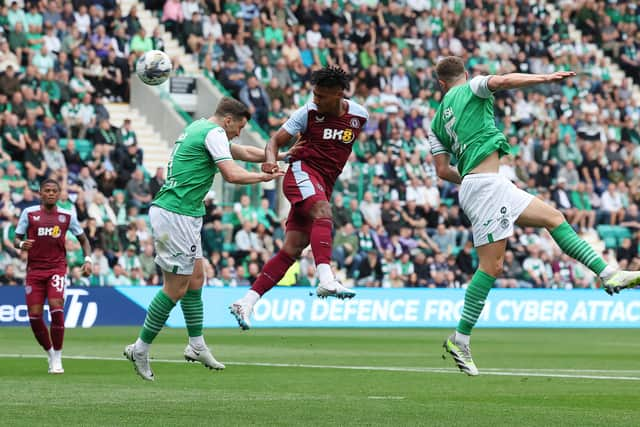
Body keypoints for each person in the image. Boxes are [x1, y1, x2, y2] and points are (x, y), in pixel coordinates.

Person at [430, 56, 640, 376]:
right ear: (464, 75)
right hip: (486, 186)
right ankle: (460, 339)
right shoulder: (472, 87)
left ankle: (608, 272)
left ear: (440, 84)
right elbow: (500, 81)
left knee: (553, 218)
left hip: (485, 183)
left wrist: (471, 178)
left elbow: (444, 170)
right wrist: (544, 79)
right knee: (492, 267)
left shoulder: (434, 124)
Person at [124, 97, 284, 381]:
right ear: (228, 120)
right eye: (239, 127)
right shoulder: (213, 133)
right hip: (177, 214)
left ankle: (196, 345)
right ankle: (140, 347)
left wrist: (281, 155)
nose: (238, 132)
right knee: (175, 288)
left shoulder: (199, 127)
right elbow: (232, 174)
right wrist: (263, 178)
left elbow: (244, 151)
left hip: (183, 213)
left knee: (196, 278)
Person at [230, 66, 369, 330]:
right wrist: (271, 162)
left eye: (322, 96)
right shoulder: (307, 113)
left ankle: (246, 301)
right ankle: (326, 278)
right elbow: (274, 141)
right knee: (323, 212)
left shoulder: (359, 116)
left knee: (292, 249)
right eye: (314, 94)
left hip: (323, 183)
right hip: (301, 173)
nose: (315, 100)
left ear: (339, 94)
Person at [14, 179, 92, 374]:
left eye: (54, 191)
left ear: (58, 194)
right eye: (46, 191)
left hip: (56, 268)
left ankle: (58, 356)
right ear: (40, 193)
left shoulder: (67, 216)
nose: (50, 193)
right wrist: (20, 244)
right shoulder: (29, 214)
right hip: (34, 271)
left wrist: (88, 259)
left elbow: (83, 239)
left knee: (57, 309)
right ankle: (49, 352)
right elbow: (16, 238)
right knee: (34, 316)